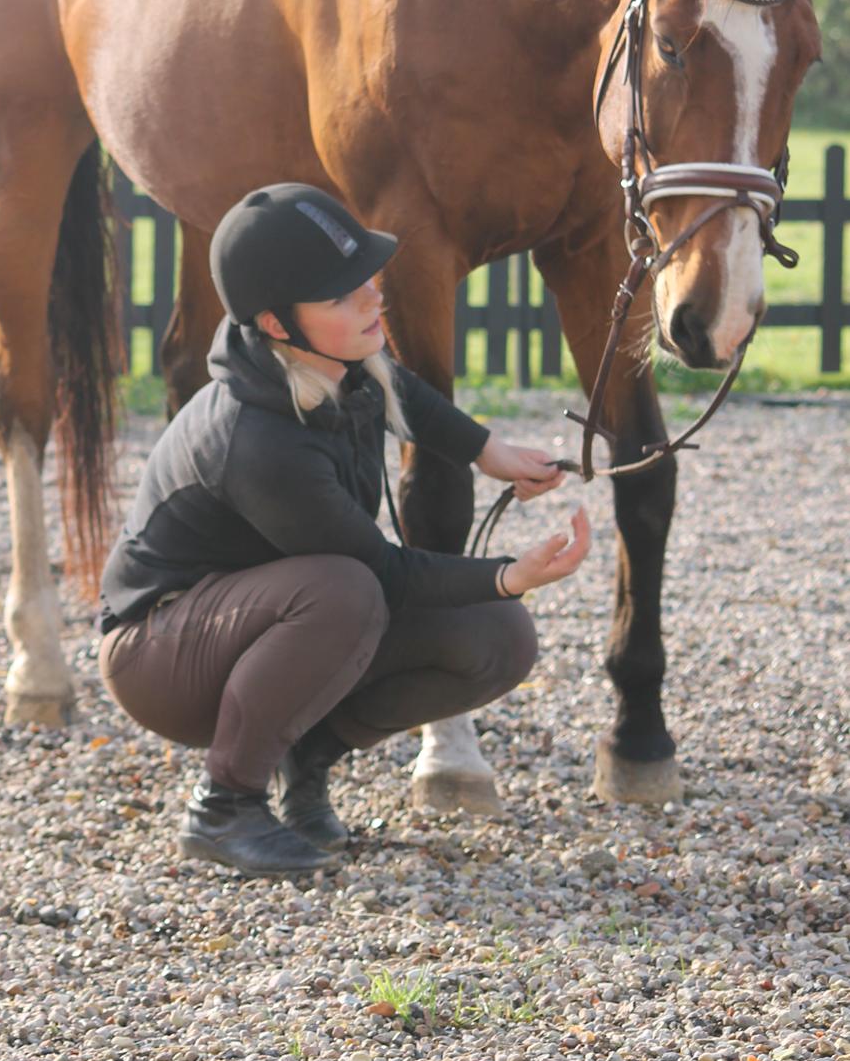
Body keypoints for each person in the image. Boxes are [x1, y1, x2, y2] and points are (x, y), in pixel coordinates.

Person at [99, 183, 590, 876]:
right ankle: (223, 806)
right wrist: (510, 574)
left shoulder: (334, 359)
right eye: (341, 295)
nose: (371, 299)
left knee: (497, 634)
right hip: (158, 655)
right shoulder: (257, 440)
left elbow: (407, 391)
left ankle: (306, 760)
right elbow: (385, 575)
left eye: (366, 278)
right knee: (345, 589)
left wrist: (489, 453)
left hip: (261, 621)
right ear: (275, 324)